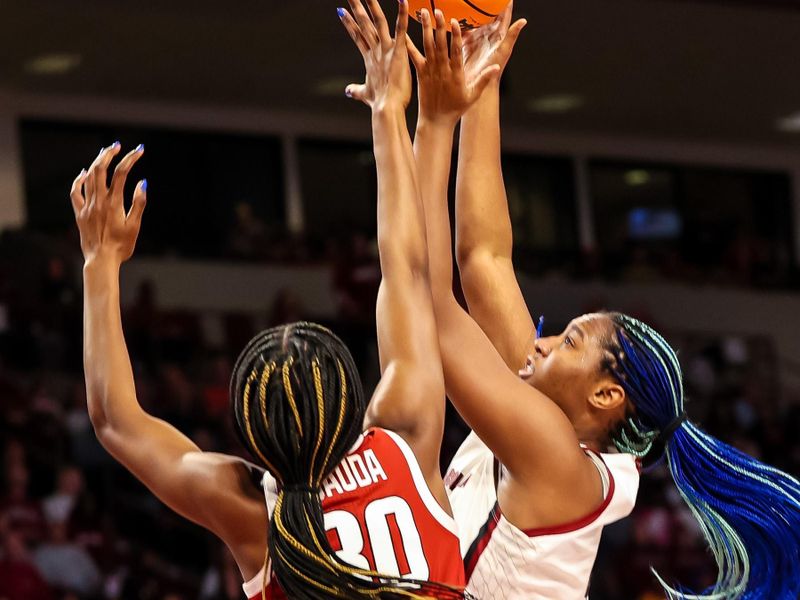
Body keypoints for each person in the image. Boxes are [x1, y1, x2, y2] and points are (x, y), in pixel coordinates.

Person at [402, 4, 800, 599]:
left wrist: (431, 124)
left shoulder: (554, 460)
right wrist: (481, 78)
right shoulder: (543, 412)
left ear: (606, 394)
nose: (538, 341)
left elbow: (429, 298)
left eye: (568, 342)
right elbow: (483, 261)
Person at [70, 2, 468, 596]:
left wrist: (99, 265)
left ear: (248, 430)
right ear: (350, 391)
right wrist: (389, 112)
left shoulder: (251, 511)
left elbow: (114, 421)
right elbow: (408, 270)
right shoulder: (406, 437)